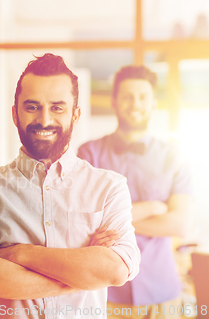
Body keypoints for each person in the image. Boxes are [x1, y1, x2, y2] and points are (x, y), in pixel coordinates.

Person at [0, 53, 141, 319]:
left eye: (57, 107)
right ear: (15, 114)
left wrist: (22, 254)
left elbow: (115, 271)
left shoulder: (109, 187)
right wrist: (82, 272)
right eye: (32, 107)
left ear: (75, 115)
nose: (44, 120)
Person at [78, 65, 192, 319]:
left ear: (153, 103)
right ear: (114, 102)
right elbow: (86, 221)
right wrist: (152, 208)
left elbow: (179, 224)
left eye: (143, 96)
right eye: (127, 96)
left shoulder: (174, 156)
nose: (135, 103)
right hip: (105, 293)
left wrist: (114, 221)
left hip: (163, 294)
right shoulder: (88, 154)